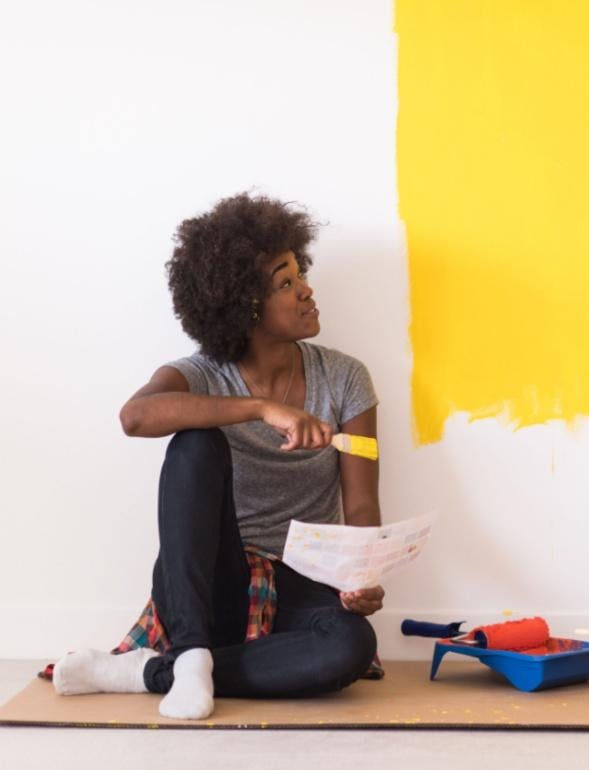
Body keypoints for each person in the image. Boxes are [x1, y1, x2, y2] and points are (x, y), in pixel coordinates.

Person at [51, 193, 383, 720]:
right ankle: (191, 649)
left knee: (350, 647)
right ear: (246, 304)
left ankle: (156, 670)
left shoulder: (345, 378)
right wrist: (259, 408)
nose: (306, 290)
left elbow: (362, 504)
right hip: (211, 586)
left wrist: (363, 570)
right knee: (194, 441)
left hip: (302, 583)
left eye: (300, 273)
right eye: (285, 283)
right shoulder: (203, 374)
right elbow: (134, 417)